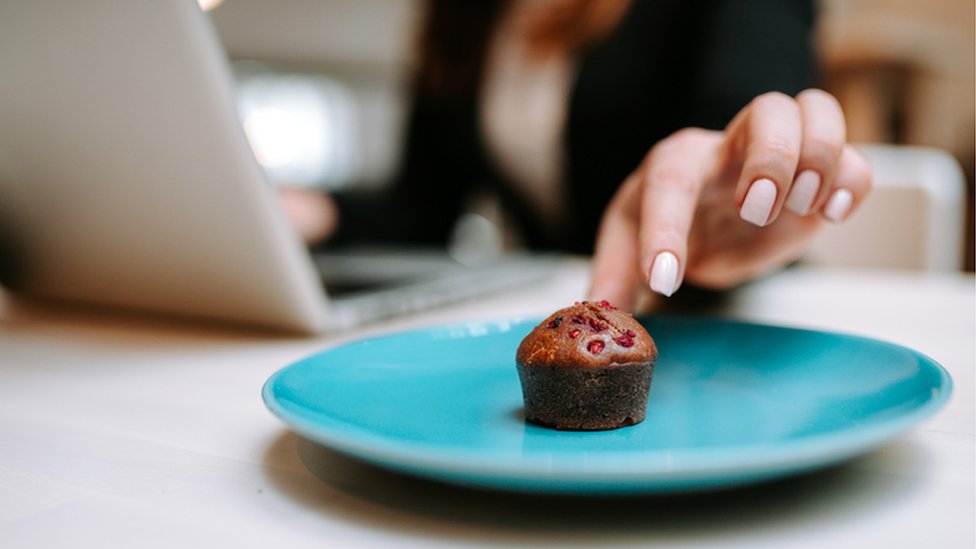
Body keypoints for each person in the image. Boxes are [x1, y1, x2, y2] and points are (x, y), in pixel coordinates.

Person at [280, 0, 872, 311]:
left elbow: (741, 106)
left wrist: (730, 170)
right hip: (567, 306)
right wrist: (312, 210)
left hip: (737, 313)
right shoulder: (460, 15)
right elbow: (423, 207)